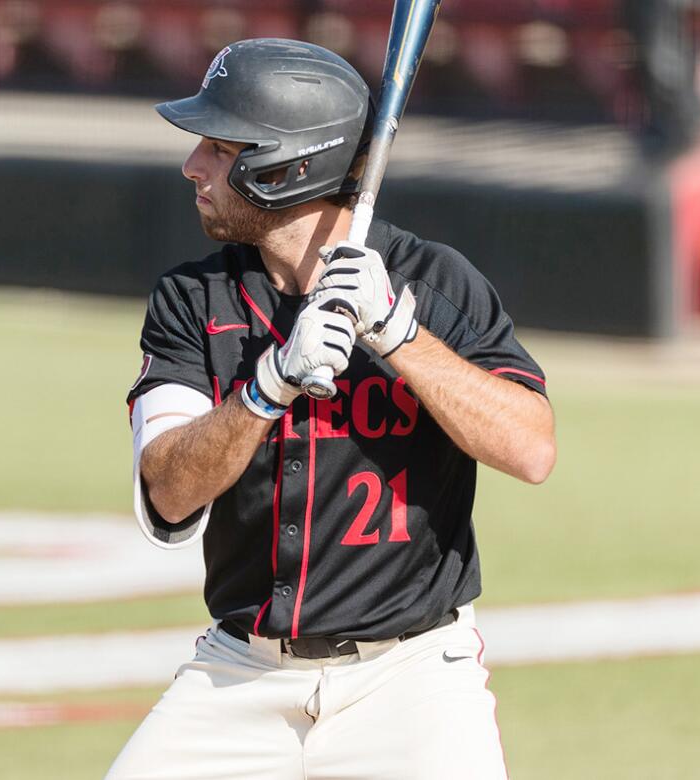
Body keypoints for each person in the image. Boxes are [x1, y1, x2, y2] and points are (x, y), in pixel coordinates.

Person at [110, 39, 556, 780]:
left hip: (412, 678)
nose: (193, 165)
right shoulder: (193, 301)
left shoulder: (436, 284)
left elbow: (532, 449)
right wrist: (268, 385)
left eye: (220, 148)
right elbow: (167, 493)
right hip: (240, 675)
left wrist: (399, 332)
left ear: (288, 166)